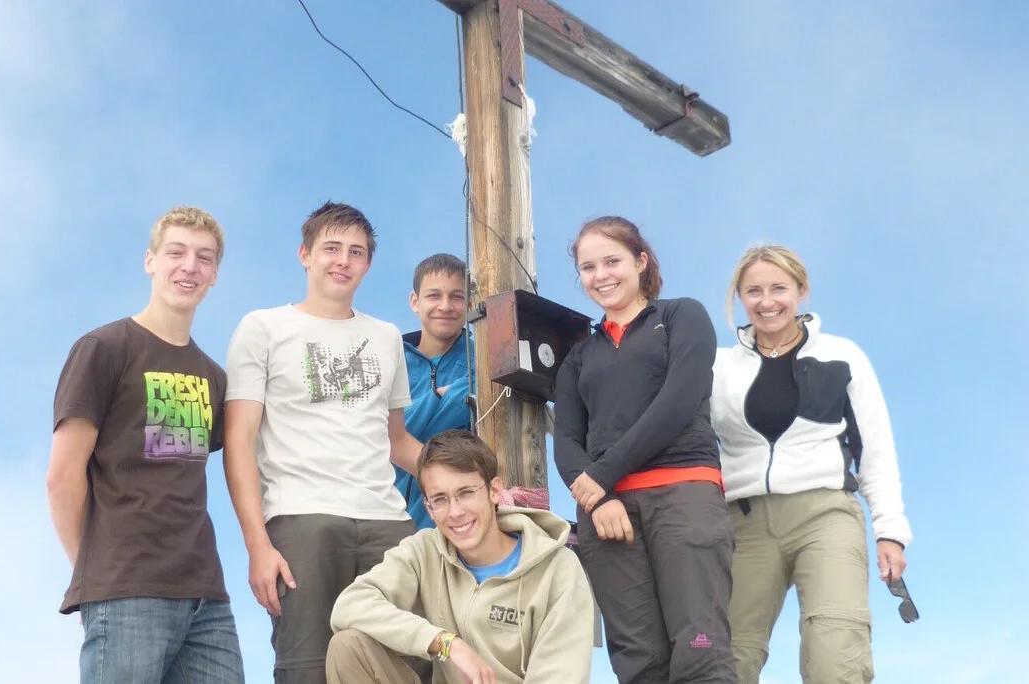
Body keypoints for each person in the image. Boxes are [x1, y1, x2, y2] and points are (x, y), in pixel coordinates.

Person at [222, 201, 424, 684]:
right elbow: (238, 441)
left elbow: (397, 441)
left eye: (356, 252)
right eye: (331, 248)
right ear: (305, 255)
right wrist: (256, 544)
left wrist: (475, 480)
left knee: (406, 665)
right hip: (300, 522)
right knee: (307, 670)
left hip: (389, 525)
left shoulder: (387, 336)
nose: (343, 260)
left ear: (368, 264)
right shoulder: (263, 328)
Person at [46, 206, 245, 684]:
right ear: (150, 261)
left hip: (206, 595)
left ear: (215, 274)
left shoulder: (214, 377)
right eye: (175, 252)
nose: (189, 266)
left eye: (203, 257)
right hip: (124, 588)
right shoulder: (104, 349)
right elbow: (62, 477)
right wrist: (92, 576)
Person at [711, 245, 912, 684]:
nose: (767, 301)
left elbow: (874, 447)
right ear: (740, 298)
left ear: (801, 291)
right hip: (743, 523)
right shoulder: (719, 369)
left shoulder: (843, 356)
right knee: (726, 659)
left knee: (834, 654)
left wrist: (890, 531)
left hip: (824, 516)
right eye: (754, 291)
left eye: (779, 288)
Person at [553, 216, 736, 683]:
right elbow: (568, 442)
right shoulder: (578, 356)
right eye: (588, 267)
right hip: (607, 514)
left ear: (640, 261)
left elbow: (678, 401)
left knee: (700, 647)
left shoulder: (680, 316)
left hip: (683, 495)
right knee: (637, 658)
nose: (601, 275)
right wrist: (600, 498)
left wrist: (601, 477)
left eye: (612, 261)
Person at [327, 430, 594, 684]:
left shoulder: (558, 569)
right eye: (440, 499)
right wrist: (446, 643)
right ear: (429, 508)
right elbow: (350, 605)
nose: (455, 512)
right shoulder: (424, 551)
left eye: (466, 493)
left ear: (494, 491)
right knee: (349, 646)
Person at [398, 253, 475, 529]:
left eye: (456, 296)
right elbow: (381, 432)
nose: (445, 306)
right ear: (415, 301)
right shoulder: (391, 361)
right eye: (434, 296)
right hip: (382, 518)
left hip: (449, 522)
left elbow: (397, 428)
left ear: (470, 303)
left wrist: (404, 420)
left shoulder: (482, 360)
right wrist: (436, 397)